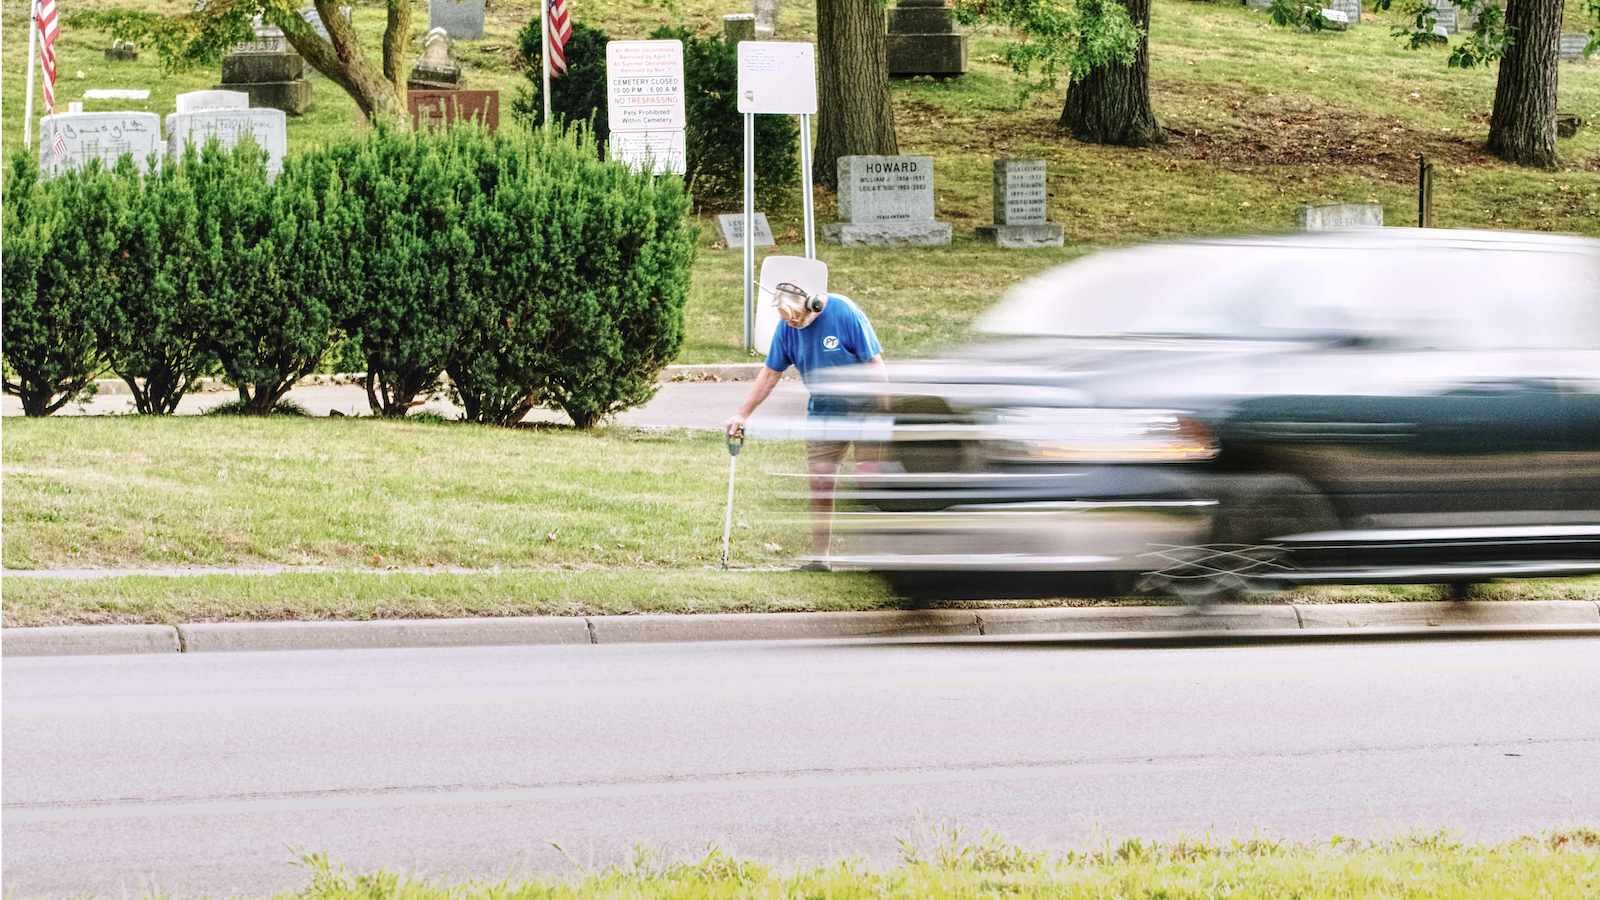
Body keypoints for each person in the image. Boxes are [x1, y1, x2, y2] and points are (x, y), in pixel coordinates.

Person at [723, 282, 886, 570]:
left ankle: (881, 555)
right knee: (820, 483)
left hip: (865, 409)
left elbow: (875, 365)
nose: (793, 324)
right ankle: (820, 558)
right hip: (825, 411)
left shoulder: (844, 312)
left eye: (796, 317)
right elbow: (770, 373)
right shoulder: (786, 328)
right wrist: (742, 414)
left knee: (870, 482)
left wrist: (888, 413)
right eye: (786, 320)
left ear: (812, 304)